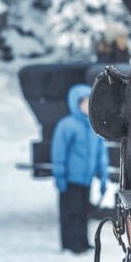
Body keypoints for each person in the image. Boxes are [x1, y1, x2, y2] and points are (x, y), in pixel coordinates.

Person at [52, 84, 108, 253]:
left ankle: (82, 241)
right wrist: (60, 175)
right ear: (75, 104)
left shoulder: (94, 127)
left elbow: (101, 154)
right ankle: (70, 242)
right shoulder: (67, 126)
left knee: (84, 212)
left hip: (86, 179)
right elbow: (59, 153)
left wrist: (103, 175)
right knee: (71, 212)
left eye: (89, 102)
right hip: (70, 179)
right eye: (83, 103)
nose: (86, 106)